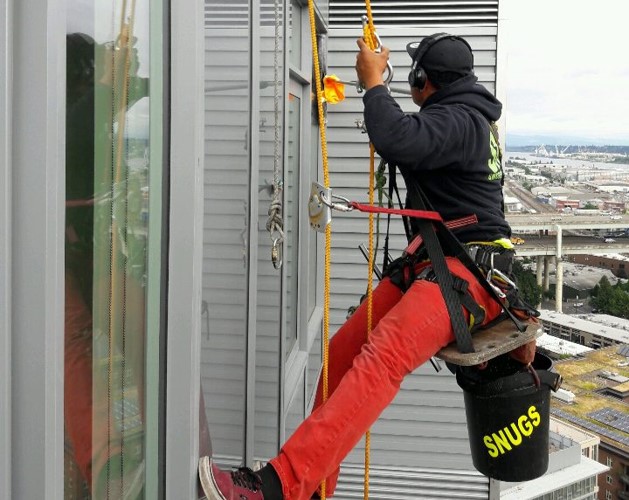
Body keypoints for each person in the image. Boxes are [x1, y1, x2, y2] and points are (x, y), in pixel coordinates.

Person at [199, 33, 537, 500]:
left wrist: (373, 83)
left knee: (382, 359)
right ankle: (313, 486)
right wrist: (374, 89)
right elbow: (407, 134)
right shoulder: (462, 117)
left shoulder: (462, 121)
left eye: (414, 75)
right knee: (337, 361)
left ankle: (276, 488)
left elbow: (396, 136)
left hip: (468, 275)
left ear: (423, 79)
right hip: (438, 264)